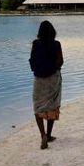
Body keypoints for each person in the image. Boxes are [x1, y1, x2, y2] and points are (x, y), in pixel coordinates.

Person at [29, 20, 63, 149]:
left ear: (39, 32)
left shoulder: (36, 44)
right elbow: (60, 61)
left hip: (39, 79)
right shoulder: (56, 44)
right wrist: (53, 69)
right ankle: (49, 135)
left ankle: (42, 135)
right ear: (53, 32)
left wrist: (38, 70)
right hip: (53, 79)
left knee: (38, 107)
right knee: (52, 106)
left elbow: (32, 60)